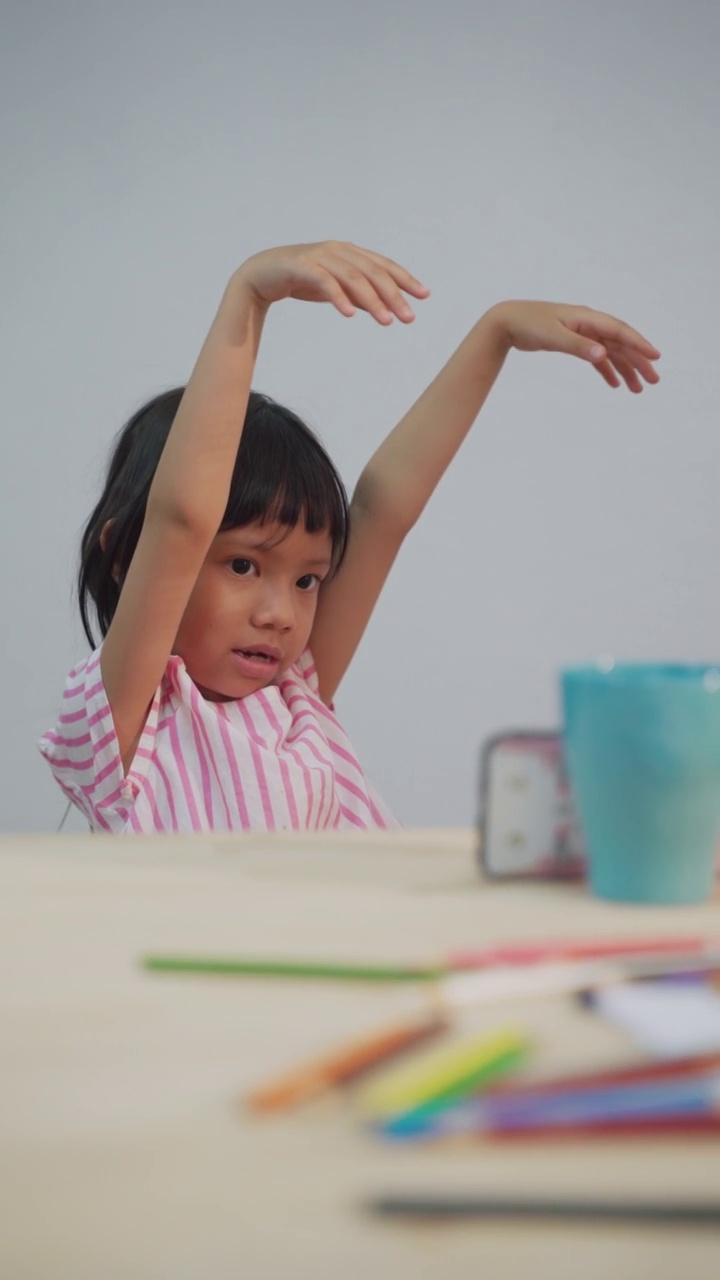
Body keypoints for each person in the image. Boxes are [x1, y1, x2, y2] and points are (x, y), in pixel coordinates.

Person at [39, 241, 660, 833]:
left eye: (307, 579)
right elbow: (182, 520)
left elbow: (381, 509)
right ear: (124, 558)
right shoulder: (129, 726)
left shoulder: (295, 694)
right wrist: (249, 295)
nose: (281, 614)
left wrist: (493, 335)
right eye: (243, 566)